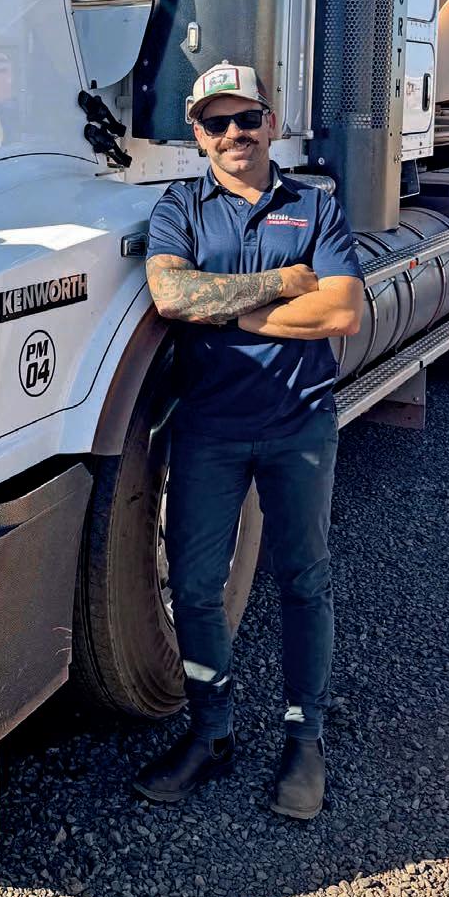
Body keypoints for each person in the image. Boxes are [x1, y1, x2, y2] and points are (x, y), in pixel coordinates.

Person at [134, 61, 364, 820]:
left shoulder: (315, 204)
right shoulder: (180, 207)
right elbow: (171, 294)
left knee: (304, 581)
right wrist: (282, 283)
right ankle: (212, 735)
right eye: (216, 123)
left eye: (246, 118)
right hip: (209, 429)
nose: (234, 133)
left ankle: (305, 740)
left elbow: (342, 313)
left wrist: (225, 308)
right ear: (198, 136)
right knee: (196, 588)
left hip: (300, 421)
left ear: (271, 122)